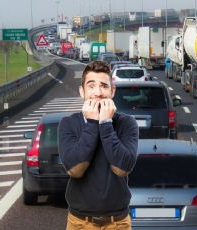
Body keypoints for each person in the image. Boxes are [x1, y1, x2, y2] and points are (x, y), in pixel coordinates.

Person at [58, 61, 139, 230]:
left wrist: (106, 122)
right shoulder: (68, 124)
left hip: (118, 223)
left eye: (104, 86)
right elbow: (75, 170)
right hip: (80, 222)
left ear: (112, 91)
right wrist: (93, 124)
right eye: (91, 86)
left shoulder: (127, 123)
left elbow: (122, 168)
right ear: (82, 91)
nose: (98, 92)